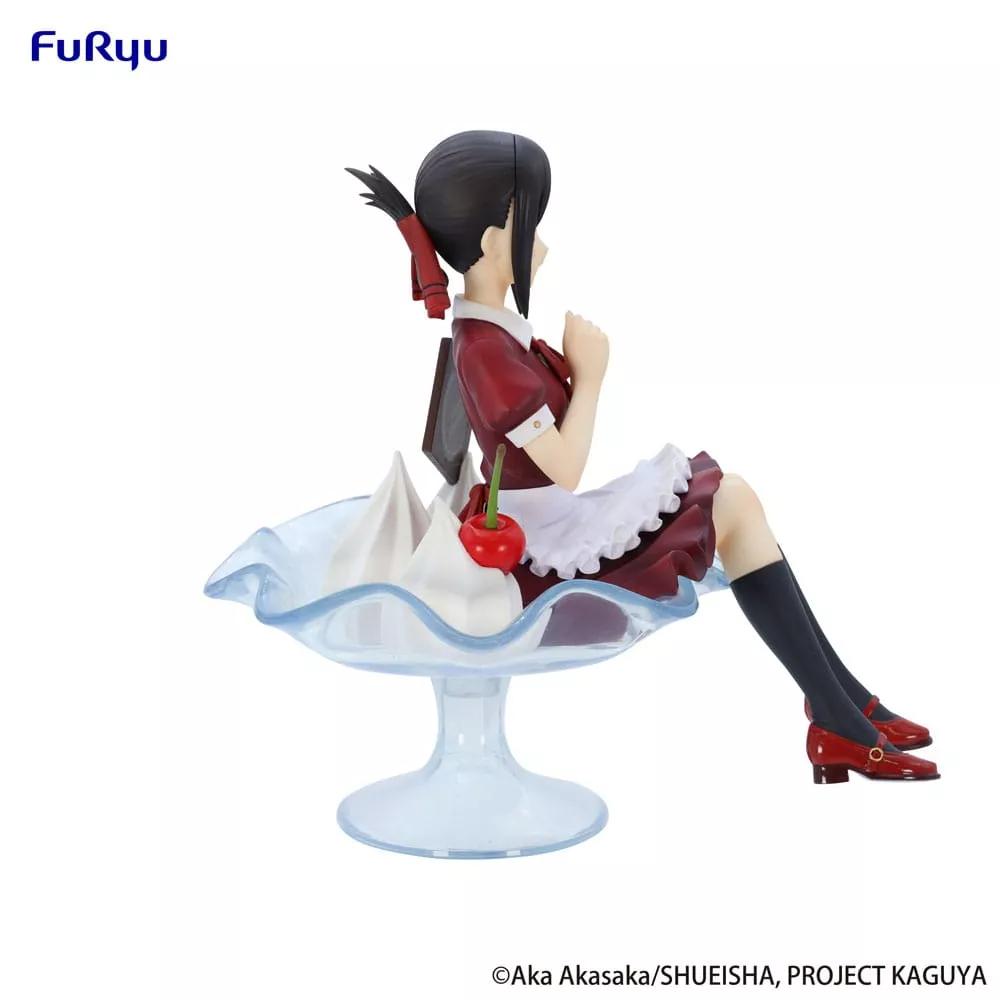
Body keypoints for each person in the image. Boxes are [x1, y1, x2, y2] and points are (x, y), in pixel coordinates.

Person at [347, 131, 938, 784]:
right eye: (529, 223)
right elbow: (565, 468)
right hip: (541, 557)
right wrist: (592, 376)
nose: (541, 241)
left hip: (547, 523)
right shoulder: (486, 348)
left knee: (736, 496)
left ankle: (845, 705)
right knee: (733, 501)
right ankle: (838, 715)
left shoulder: (491, 334)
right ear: (492, 241)